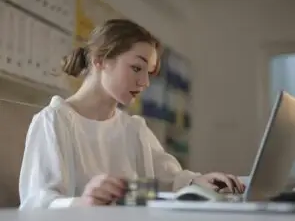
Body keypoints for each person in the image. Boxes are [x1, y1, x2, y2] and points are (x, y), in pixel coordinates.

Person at [19, 19, 245, 209]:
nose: (145, 83)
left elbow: (171, 178)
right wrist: (83, 202)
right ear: (100, 60)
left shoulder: (134, 128)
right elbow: (34, 204)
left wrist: (199, 181)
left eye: (148, 73)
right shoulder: (54, 121)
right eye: (137, 68)